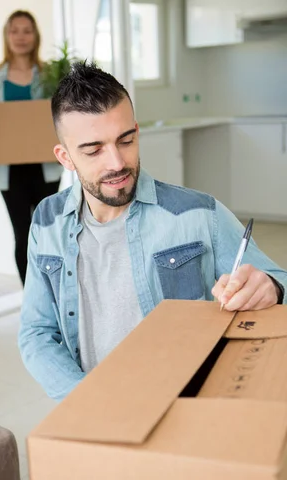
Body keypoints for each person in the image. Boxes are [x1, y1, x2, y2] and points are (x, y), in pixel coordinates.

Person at [18, 61, 287, 402]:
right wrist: (84, 399)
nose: (116, 162)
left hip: (185, 401)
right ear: (65, 156)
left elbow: (280, 281)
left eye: (125, 140)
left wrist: (271, 288)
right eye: (94, 149)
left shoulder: (199, 213)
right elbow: (36, 331)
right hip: (92, 405)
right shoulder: (47, 221)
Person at [0, 10, 62, 284]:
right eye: (15, 31)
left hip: (45, 166)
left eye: (27, 31)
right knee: (22, 233)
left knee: (48, 231)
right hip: (10, 172)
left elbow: (64, 114)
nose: (21, 37)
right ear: (6, 36)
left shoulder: (50, 75)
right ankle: (32, 298)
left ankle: (54, 291)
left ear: (35, 36)